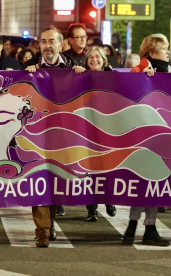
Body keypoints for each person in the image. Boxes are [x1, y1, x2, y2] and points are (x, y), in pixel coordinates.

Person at [22, 25, 75, 248]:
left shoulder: (73, 67)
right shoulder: (30, 69)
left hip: (63, 135)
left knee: (56, 181)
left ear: (61, 44)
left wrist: (80, 76)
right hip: (38, 135)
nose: (47, 46)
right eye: (43, 41)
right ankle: (42, 230)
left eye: (51, 41)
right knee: (39, 179)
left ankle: (50, 223)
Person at [123, 34, 171, 247]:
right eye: (164, 48)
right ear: (152, 52)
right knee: (146, 181)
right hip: (143, 136)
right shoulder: (139, 70)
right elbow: (128, 95)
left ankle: (134, 228)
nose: (168, 52)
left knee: (151, 183)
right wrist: (145, 80)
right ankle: (144, 228)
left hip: (162, 133)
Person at [73, 46, 119, 221]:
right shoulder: (80, 75)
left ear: (104, 59)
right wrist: (76, 73)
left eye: (98, 56)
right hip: (86, 128)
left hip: (107, 128)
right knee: (89, 167)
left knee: (107, 166)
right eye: (90, 57)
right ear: (85, 60)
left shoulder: (112, 76)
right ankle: (91, 207)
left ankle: (109, 200)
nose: (94, 59)